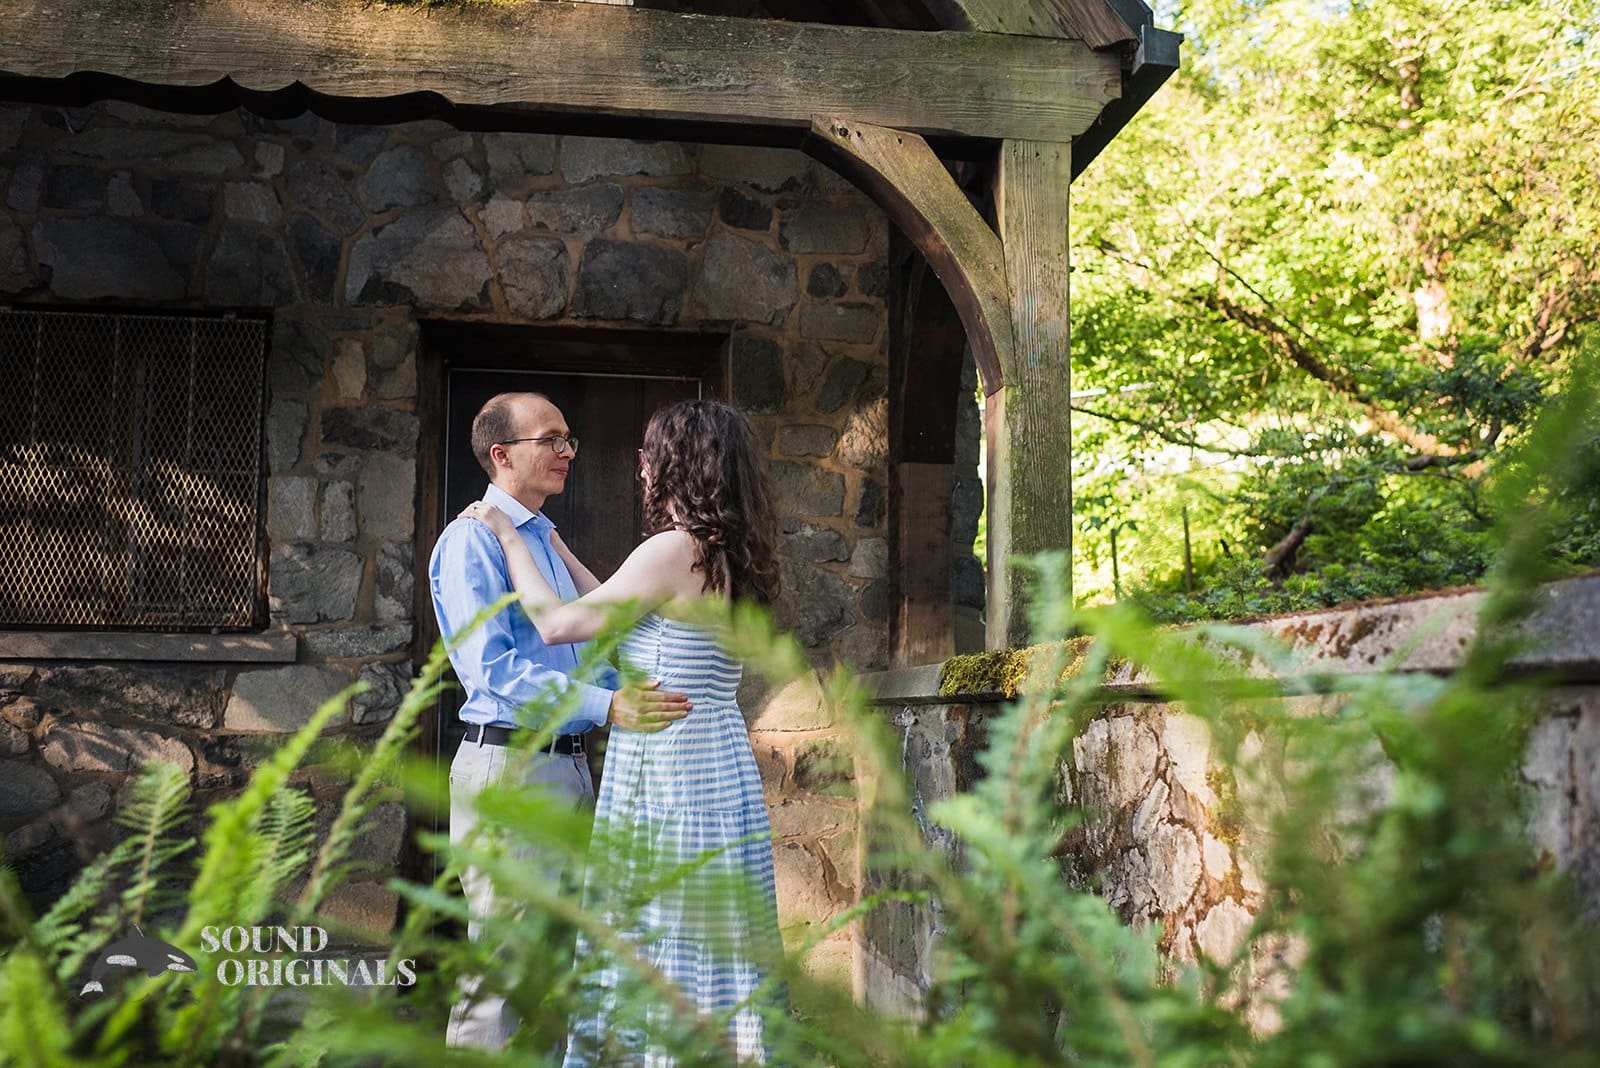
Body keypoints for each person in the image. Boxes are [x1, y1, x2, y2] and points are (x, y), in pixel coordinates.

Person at [459, 398, 784, 1065]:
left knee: (666, 931)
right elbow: (620, 605)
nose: (639, 465)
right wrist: (555, 543)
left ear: (678, 465)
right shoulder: (731, 552)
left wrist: (512, 534)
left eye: (649, 453)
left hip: (672, 769)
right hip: (718, 760)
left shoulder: (670, 550)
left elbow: (557, 624)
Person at [429, 391, 691, 1050]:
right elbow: (496, 673)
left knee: (559, 970)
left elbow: (590, 651)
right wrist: (609, 707)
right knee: (507, 969)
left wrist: (641, 687)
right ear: (501, 454)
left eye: (569, 438)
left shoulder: (543, 541)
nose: (566, 451)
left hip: (568, 767)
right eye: (550, 439)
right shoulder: (471, 542)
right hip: (512, 770)